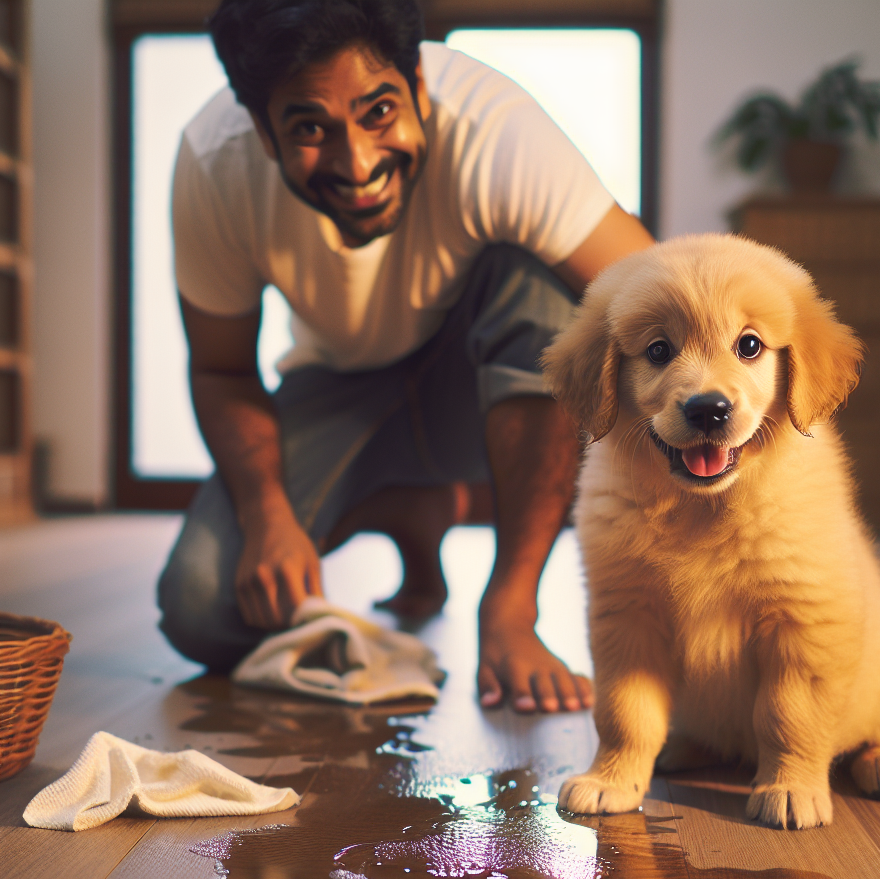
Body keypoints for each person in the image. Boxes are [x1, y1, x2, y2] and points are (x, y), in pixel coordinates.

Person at [157, 0, 654, 713]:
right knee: (204, 608)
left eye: (379, 111)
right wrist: (267, 515)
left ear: (418, 87)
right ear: (262, 132)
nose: (356, 162)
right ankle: (414, 509)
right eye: (308, 128)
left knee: (564, 287)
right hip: (338, 387)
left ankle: (510, 609)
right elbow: (222, 369)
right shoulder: (213, 163)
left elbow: (654, 295)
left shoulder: (496, 131)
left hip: (481, 383)